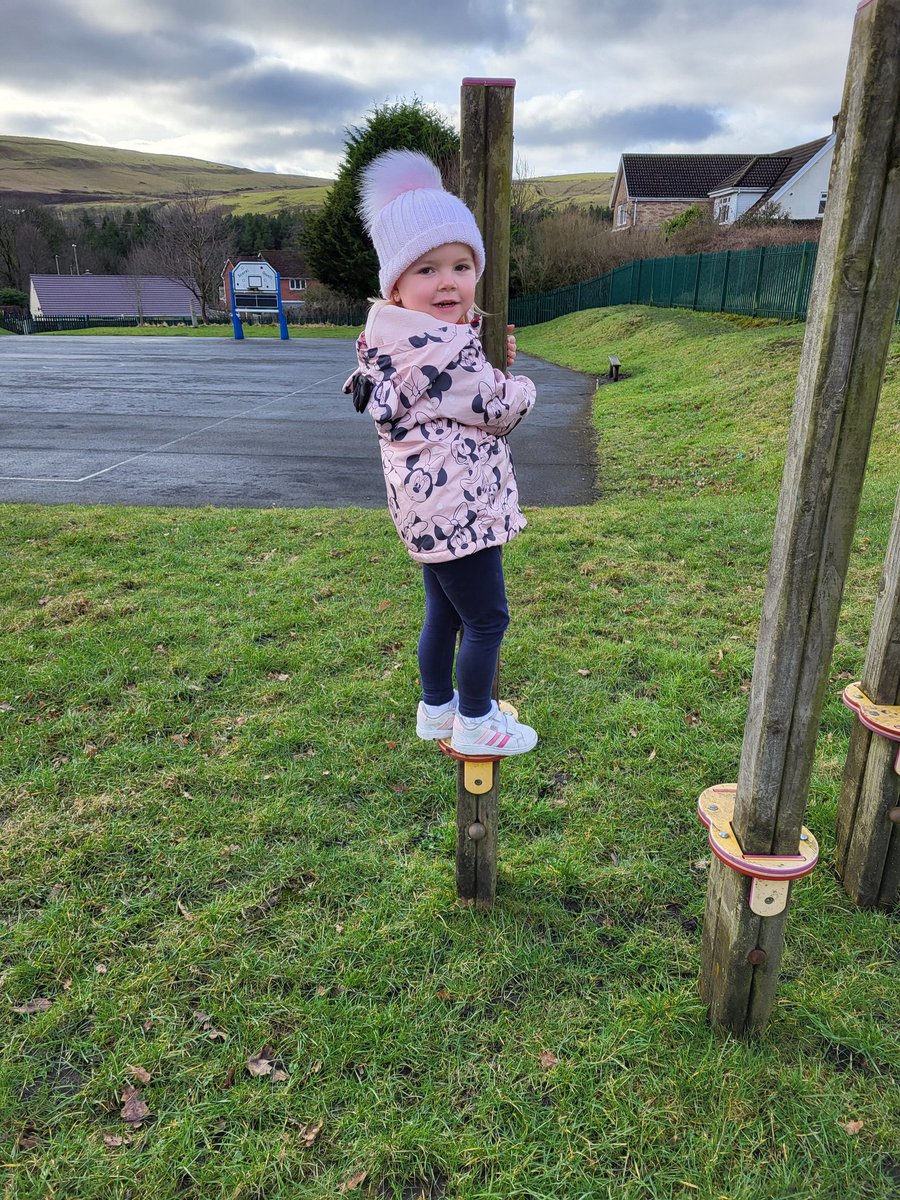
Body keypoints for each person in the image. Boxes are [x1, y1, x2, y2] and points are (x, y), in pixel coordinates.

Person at [345, 148, 538, 757]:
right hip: (461, 506)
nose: (448, 281)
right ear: (396, 287)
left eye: (460, 265)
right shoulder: (445, 354)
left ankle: (436, 709)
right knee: (487, 620)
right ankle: (476, 723)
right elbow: (497, 407)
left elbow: (456, 374)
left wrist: (480, 348)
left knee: (445, 613)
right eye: (427, 270)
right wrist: (519, 379)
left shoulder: (396, 341)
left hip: (425, 510)